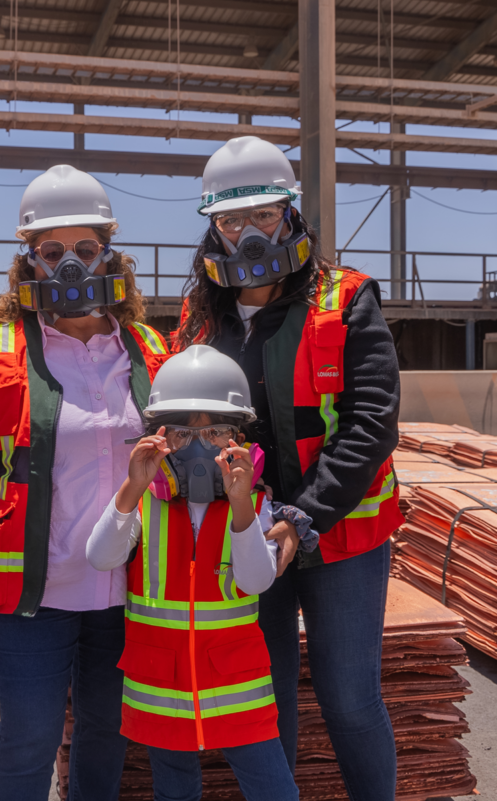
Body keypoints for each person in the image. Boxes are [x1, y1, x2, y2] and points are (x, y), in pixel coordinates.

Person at [172, 135, 403, 800]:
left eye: (262, 216)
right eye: (230, 221)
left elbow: (371, 423)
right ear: (212, 227)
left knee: (350, 696)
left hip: (342, 534)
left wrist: (304, 517)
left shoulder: (347, 298)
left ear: (291, 213)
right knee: (264, 698)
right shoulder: (199, 316)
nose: (247, 234)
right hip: (246, 532)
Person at [0, 164, 169, 801]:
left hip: (129, 590)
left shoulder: (150, 350)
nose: (71, 265)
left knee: (107, 731)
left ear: (111, 257)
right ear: (29, 262)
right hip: (29, 596)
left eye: (86, 250)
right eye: (52, 250)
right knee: (30, 735)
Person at [87, 345, 299, 801]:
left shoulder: (255, 507)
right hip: (161, 687)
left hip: (238, 689)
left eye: (219, 431)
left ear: (239, 439)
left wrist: (241, 502)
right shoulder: (144, 504)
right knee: (174, 789)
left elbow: (257, 581)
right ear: (159, 438)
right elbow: (101, 555)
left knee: (273, 789)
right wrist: (132, 486)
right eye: (183, 434)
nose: (201, 445)